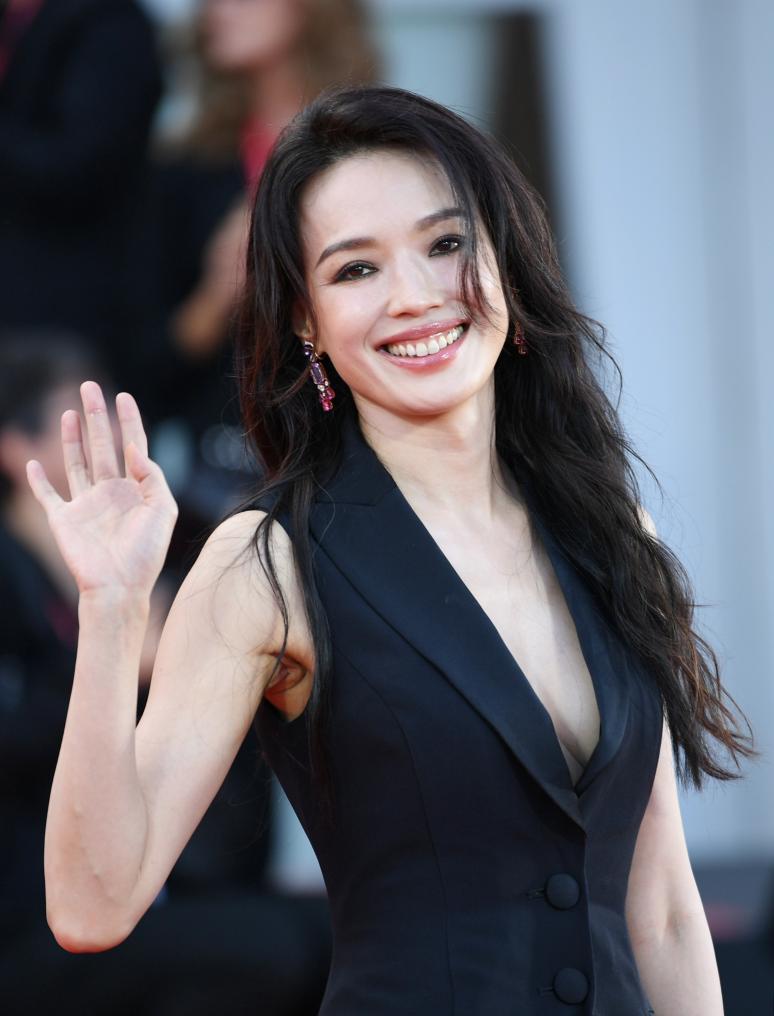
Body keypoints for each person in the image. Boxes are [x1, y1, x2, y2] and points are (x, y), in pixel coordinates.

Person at [26, 85, 755, 1014]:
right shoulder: (268, 563)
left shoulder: (612, 531)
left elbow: (665, 914)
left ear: (503, 260)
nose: (413, 296)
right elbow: (92, 905)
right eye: (356, 269)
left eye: (445, 245)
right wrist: (111, 610)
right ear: (305, 319)